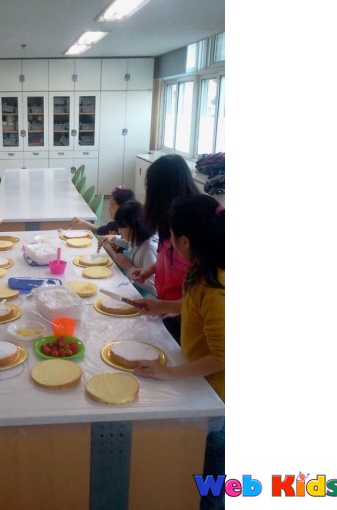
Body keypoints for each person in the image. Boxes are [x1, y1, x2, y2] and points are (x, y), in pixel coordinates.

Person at [132, 194, 225, 510]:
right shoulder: (205, 266)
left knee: (210, 479)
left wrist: (169, 372)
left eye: (171, 235)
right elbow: (195, 306)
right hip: (199, 380)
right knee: (198, 466)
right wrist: (162, 305)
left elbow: (223, 356)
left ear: (184, 241)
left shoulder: (216, 287)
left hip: (216, 396)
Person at [128, 154, 201, 342]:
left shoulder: (192, 225)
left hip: (186, 315)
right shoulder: (169, 219)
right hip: (167, 307)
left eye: (150, 188)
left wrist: (166, 306)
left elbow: (202, 298)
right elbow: (167, 255)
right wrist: (151, 269)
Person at [101, 201, 158, 295]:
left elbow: (154, 288)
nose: (119, 231)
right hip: (131, 283)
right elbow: (130, 243)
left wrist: (129, 267)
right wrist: (113, 238)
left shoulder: (149, 250)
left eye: (122, 228)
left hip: (139, 294)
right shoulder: (138, 237)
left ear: (135, 227)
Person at [68, 185, 135, 234]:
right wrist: (85, 223)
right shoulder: (113, 225)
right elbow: (100, 230)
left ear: (124, 208)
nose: (109, 209)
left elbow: (122, 248)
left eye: (112, 206)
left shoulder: (128, 233)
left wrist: (109, 247)